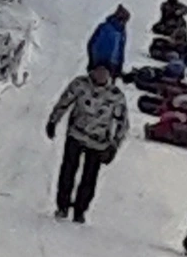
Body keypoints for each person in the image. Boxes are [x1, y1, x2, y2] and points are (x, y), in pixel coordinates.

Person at [45, 62, 129, 223]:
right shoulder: (80, 85)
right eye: (98, 72)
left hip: (98, 141)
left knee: (89, 177)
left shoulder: (115, 96)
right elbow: (64, 102)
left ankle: (80, 209)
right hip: (76, 134)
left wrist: (114, 146)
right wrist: (53, 121)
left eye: (104, 73)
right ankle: (62, 205)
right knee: (68, 170)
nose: (100, 76)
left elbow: (122, 124)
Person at [86, 4, 130, 76]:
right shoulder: (105, 27)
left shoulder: (122, 32)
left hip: (113, 65)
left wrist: (119, 66)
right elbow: (92, 44)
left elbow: (121, 49)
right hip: (100, 63)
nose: (124, 22)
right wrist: (92, 61)